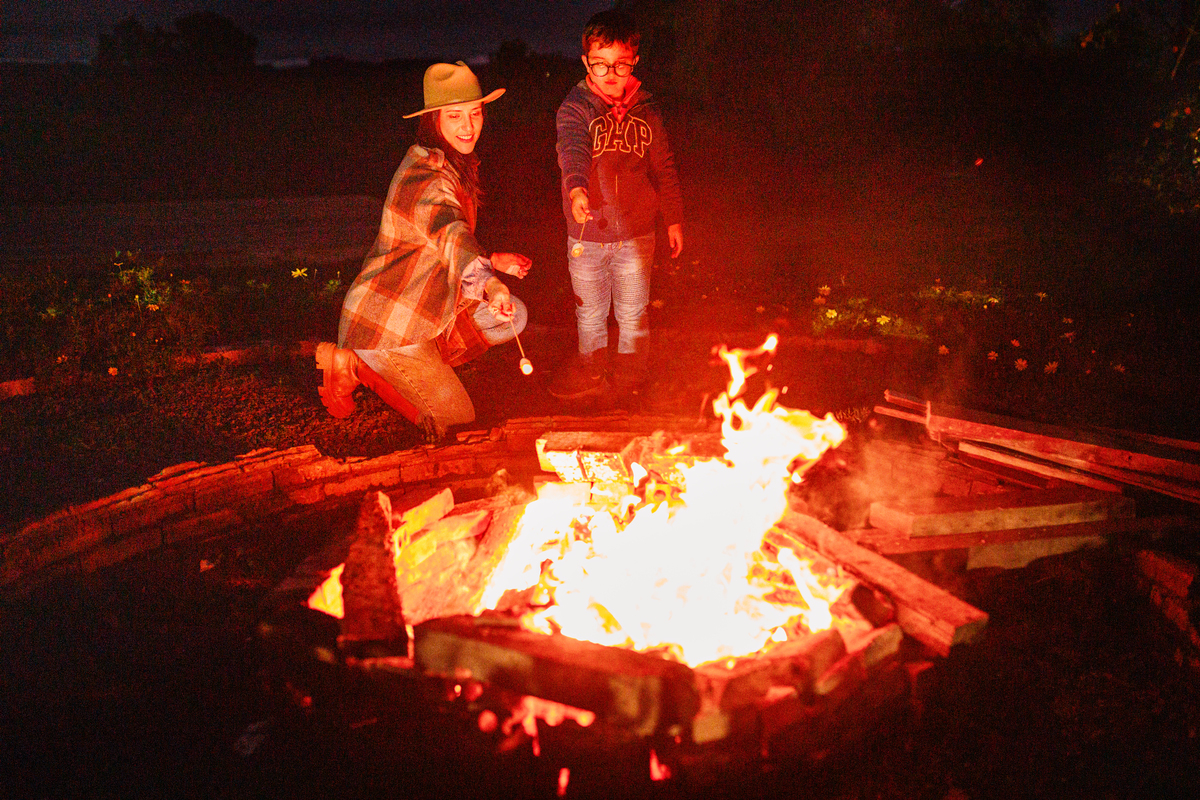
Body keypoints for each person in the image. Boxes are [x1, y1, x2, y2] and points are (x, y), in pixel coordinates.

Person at [316, 61, 532, 441]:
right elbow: (450, 231)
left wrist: (491, 262)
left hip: (422, 303)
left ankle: (411, 364)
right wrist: (489, 282)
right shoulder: (426, 176)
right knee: (456, 420)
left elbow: (440, 240)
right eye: (455, 116)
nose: (468, 126)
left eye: (475, 114)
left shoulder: (450, 162)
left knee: (511, 317)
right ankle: (361, 366)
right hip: (387, 324)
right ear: (434, 119)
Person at [548, 9, 684, 400]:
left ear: (634, 62)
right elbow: (571, 149)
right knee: (589, 314)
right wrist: (577, 190)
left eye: (620, 65)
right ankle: (590, 374)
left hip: (638, 233)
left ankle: (630, 378)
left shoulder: (648, 109)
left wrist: (674, 218)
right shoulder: (575, 108)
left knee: (633, 314)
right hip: (586, 235)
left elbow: (665, 166)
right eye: (600, 64)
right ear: (585, 61)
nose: (609, 74)